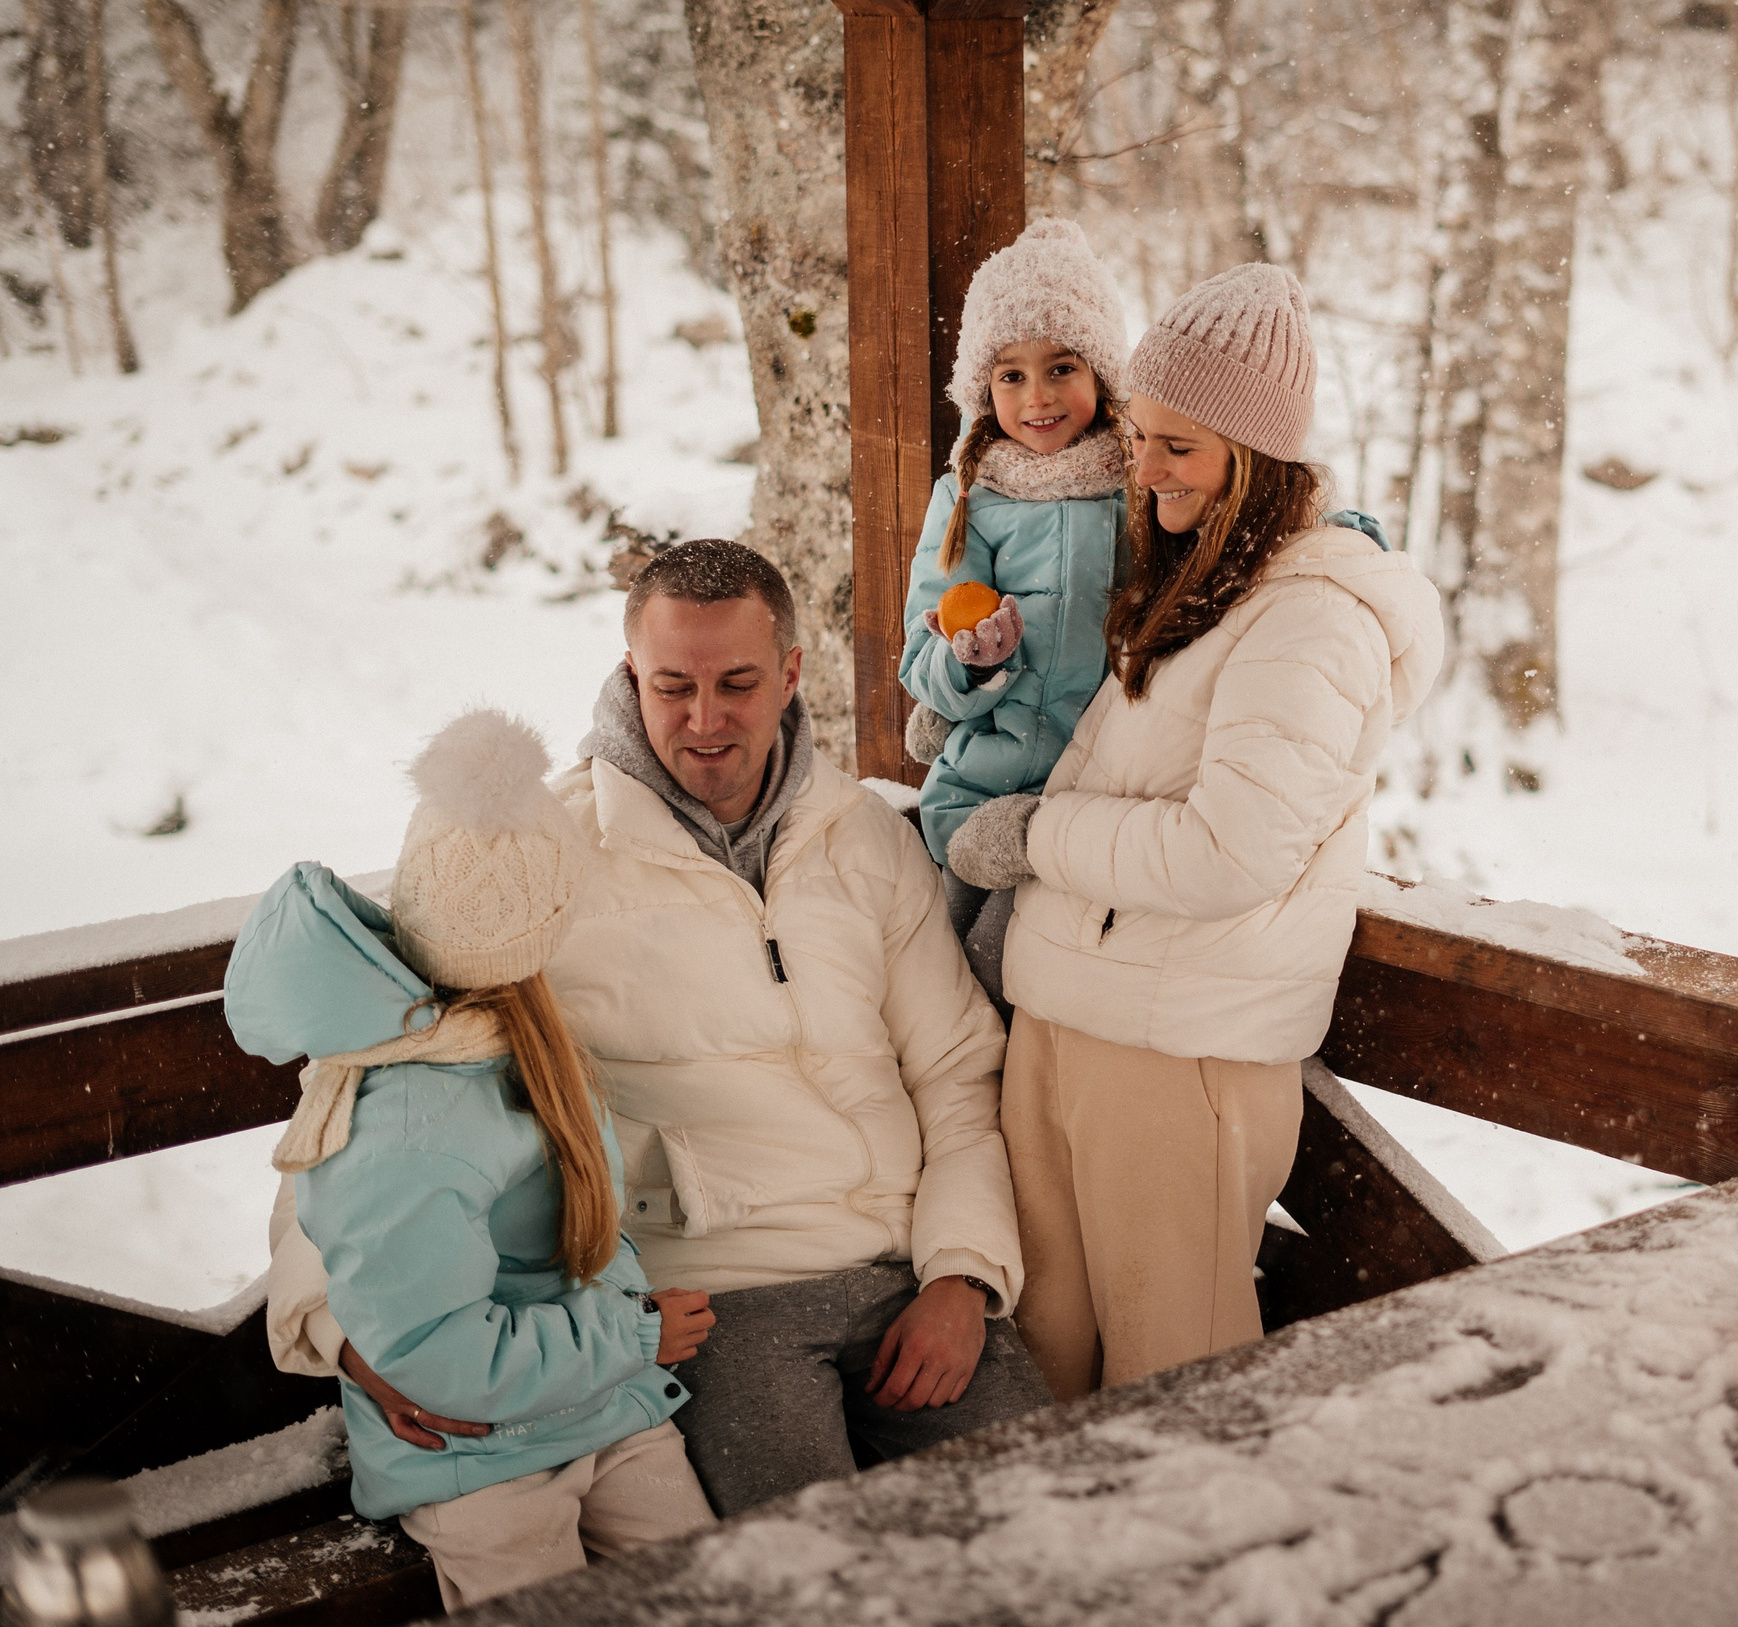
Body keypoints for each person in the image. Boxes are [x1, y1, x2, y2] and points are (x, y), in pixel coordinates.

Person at [267, 539, 1051, 1518]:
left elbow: (956, 1076)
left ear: (793, 675)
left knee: (1054, 1524)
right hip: (711, 1301)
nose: (706, 720)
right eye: (673, 684)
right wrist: (336, 1325)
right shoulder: (538, 857)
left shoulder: (861, 838)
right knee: (811, 1580)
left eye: (738, 683)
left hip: (909, 1275)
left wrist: (966, 1276)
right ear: (629, 670)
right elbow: (372, 1092)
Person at [943, 265, 1446, 1400]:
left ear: (1255, 459)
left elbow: (1231, 853)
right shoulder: (1201, 581)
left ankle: (1186, 1581)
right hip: (1071, 1017)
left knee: (1177, 1381)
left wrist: (1035, 833)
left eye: (1182, 447)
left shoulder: (1311, 618)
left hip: (1179, 1052)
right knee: (1046, 1365)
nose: (1146, 469)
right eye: (1141, 438)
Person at [227, 711, 718, 1610]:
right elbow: (431, 1354)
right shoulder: (405, 1110)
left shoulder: (521, 1040)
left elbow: (591, 1220)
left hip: (603, 1408)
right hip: (478, 1457)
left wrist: (626, 1338)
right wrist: (634, 1334)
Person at [898, 218, 1130, 1013]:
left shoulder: (1135, 493)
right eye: (1010, 375)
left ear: (1100, 373)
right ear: (981, 390)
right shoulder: (968, 498)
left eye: (1061, 367)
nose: (1037, 397)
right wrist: (972, 663)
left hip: (1096, 795)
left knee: (1056, 982)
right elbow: (919, 654)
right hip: (981, 788)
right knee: (959, 982)